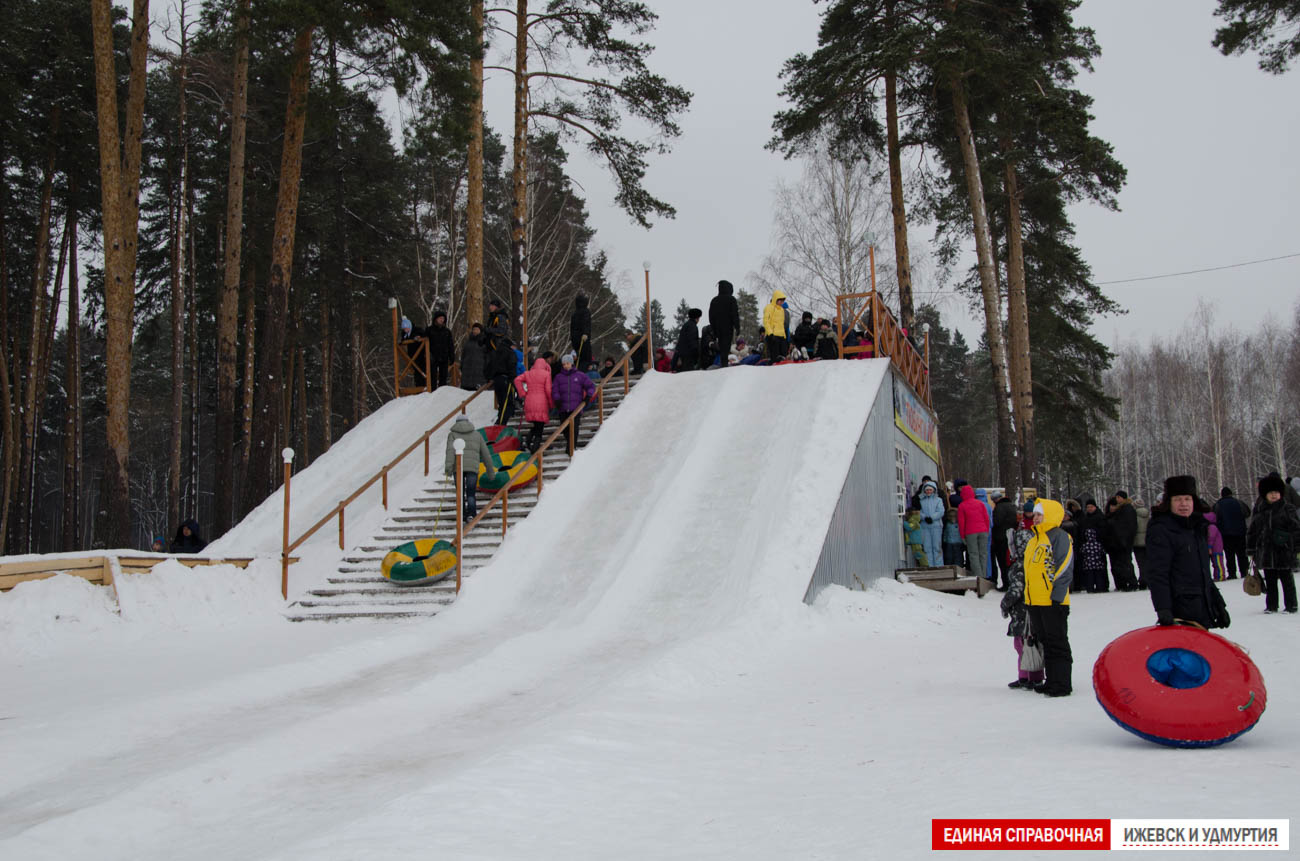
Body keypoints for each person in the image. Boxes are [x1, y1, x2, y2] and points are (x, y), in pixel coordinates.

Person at [1145, 475, 1230, 629]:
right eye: (1177, 499)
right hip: (1178, 610)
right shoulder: (1161, 529)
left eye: (1187, 499)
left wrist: (1218, 603)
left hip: (1201, 606)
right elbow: (1157, 573)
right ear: (1169, 502)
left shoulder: (1198, 527)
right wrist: (1163, 608)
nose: (1183, 504)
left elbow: (1204, 572)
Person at [1023, 499, 1074, 697]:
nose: (1035, 518)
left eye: (1039, 515)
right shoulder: (1034, 539)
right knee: (1045, 641)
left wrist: (1057, 596)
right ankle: (1051, 680)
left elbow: (1064, 566)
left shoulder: (1060, 536)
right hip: (1035, 601)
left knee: (1057, 641)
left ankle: (1062, 683)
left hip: (1053, 600)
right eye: (1034, 515)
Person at [1001, 501, 1043, 690]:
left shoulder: (1020, 566)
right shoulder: (1035, 562)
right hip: (1034, 609)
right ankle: (1033, 675)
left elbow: (1016, 589)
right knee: (1032, 643)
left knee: (1022, 645)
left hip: (1021, 613)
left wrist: (1005, 603)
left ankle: (1027, 675)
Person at [1246, 473, 1300, 614]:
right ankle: (1271, 605)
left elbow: (1296, 529)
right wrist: (1251, 549)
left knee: (1286, 580)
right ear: (1265, 494)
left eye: (1276, 492)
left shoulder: (1288, 509)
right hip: (1267, 552)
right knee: (1270, 581)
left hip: (1284, 551)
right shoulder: (1260, 510)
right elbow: (1253, 531)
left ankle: (1291, 605)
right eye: (1271, 493)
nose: (1274, 495)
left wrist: (1295, 546)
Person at [445, 415, 497, 521]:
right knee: (471, 492)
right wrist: (490, 471)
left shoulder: (452, 435)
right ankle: (472, 514)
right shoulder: (477, 435)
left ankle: (462, 514)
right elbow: (485, 454)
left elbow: (450, 452)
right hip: (472, 468)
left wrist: (448, 468)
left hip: (457, 468)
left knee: (460, 492)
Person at [552, 352, 596, 456]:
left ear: (571, 363)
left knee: (574, 428)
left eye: (567, 363)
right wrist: (557, 399)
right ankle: (570, 444)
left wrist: (588, 396)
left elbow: (591, 386)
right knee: (565, 429)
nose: (565, 366)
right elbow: (555, 390)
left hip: (575, 407)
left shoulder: (580, 375)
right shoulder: (558, 377)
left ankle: (571, 448)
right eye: (564, 364)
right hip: (562, 407)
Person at [514, 357, 554, 452]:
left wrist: (522, 393)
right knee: (540, 427)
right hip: (541, 401)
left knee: (536, 425)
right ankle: (534, 450)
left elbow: (517, 380)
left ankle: (528, 440)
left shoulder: (528, 373)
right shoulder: (546, 374)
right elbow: (548, 391)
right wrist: (551, 404)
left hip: (530, 400)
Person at [1104, 491, 1140, 590]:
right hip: (1118, 541)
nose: (1117, 499)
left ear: (1123, 498)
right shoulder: (1121, 509)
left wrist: (1124, 540)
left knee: (1126, 563)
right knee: (1121, 564)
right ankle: (1124, 584)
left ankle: (1132, 583)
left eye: (1119, 497)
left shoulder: (1127, 508)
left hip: (1123, 542)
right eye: (1117, 497)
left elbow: (1128, 526)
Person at [1213, 487, 1251, 579]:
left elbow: (1214, 518)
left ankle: (1232, 573)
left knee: (1229, 555)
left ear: (1222, 494)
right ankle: (1244, 572)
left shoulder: (1218, 504)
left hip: (1226, 534)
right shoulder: (1239, 502)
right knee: (1242, 554)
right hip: (1240, 533)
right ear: (1231, 493)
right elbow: (1247, 513)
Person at [1074, 498, 1109, 593]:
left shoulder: (1100, 517)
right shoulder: (1086, 518)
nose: (1089, 509)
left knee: (1101, 568)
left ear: (1095, 507)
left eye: (1091, 507)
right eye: (1088, 507)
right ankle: (1090, 585)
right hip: (1088, 547)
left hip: (1098, 545)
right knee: (1089, 569)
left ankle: (1103, 586)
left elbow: (1104, 531)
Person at [957, 484, 991, 580]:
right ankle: (983, 575)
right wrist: (987, 531)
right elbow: (986, 519)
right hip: (983, 531)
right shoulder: (980, 504)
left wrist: (962, 536)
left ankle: (978, 576)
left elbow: (961, 523)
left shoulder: (962, 506)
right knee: (983, 554)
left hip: (970, 532)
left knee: (973, 554)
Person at [486, 335, 519, 425]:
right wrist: (512, 378)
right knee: (507, 402)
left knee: (501, 402)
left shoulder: (495, 352)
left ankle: (500, 419)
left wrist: (490, 377)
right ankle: (502, 421)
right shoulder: (510, 353)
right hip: (506, 378)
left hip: (497, 379)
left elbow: (489, 365)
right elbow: (512, 365)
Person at [991, 494, 1019, 590]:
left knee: (1002, 562)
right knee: (1010, 561)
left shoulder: (999, 508)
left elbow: (996, 522)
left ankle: (1006, 584)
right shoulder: (1011, 506)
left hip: (1001, 538)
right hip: (1010, 537)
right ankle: (1012, 582)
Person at [708, 279, 740, 362]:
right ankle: (724, 367)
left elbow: (711, 317)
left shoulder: (714, 300)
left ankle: (723, 365)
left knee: (721, 348)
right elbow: (734, 315)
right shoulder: (731, 299)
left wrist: (713, 330)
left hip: (718, 329)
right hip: (728, 328)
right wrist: (737, 327)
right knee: (726, 348)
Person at [918, 480, 945, 569]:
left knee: (937, 547)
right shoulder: (921, 500)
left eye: (930, 490)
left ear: (934, 490)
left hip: (936, 526)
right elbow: (919, 511)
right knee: (927, 547)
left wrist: (932, 518)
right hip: (925, 526)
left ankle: (939, 566)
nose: (928, 491)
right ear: (924, 491)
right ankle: (929, 565)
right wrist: (924, 517)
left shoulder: (938, 500)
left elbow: (941, 511)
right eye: (927, 490)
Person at [426, 309, 454, 390]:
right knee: (432, 377)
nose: (442, 320)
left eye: (443, 318)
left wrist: (452, 356)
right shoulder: (429, 330)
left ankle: (442, 394)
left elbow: (450, 345)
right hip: (432, 357)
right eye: (440, 318)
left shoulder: (447, 331)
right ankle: (432, 394)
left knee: (443, 377)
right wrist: (427, 355)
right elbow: (423, 341)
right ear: (436, 319)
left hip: (444, 357)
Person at [762, 290, 789, 362]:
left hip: (781, 336)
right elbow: (766, 321)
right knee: (774, 357)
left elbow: (781, 324)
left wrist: (784, 336)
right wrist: (770, 333)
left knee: (783, 356)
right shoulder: (769, 307)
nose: (781, 302)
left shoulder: (782, 310)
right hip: (772, 336)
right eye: (780, 300)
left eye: (783, 301)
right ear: (776, 299)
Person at [460, 322, 488, 390]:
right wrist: (461, 365)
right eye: (474, 329)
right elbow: (463, 355)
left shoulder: (484, 342)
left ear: (480, 331)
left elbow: (487, 357)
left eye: (477, 329)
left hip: (479, 370)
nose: (475, 331)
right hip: (467, 370)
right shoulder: (468, 342)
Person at [1132, 496, 1150, 589]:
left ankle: (1143, 580)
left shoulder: (1134, 516)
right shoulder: (1147, 515)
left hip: (1137, 543)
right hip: (1147, 542)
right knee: (1147, 562)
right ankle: (1148, 579)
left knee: (1140, 563)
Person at [570, 295, 592, 369]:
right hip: (580, 338)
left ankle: (581, 370)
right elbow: (586, 323)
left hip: (579, 338)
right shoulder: (585, 312)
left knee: (581, 356)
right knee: (583, 356)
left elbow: (585, 323)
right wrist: (586, 333)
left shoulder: (576, 313)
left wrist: (585, 333)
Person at [1204, 511, 1226, 580]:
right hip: (1214, 548)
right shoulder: (1211, 526)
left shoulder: (1212, 527)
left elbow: (1211, 538)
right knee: (1216, 563)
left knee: (1218, 563)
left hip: (1216, 549)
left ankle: (1220, 576)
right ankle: (1218, 576)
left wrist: (1209, 547)